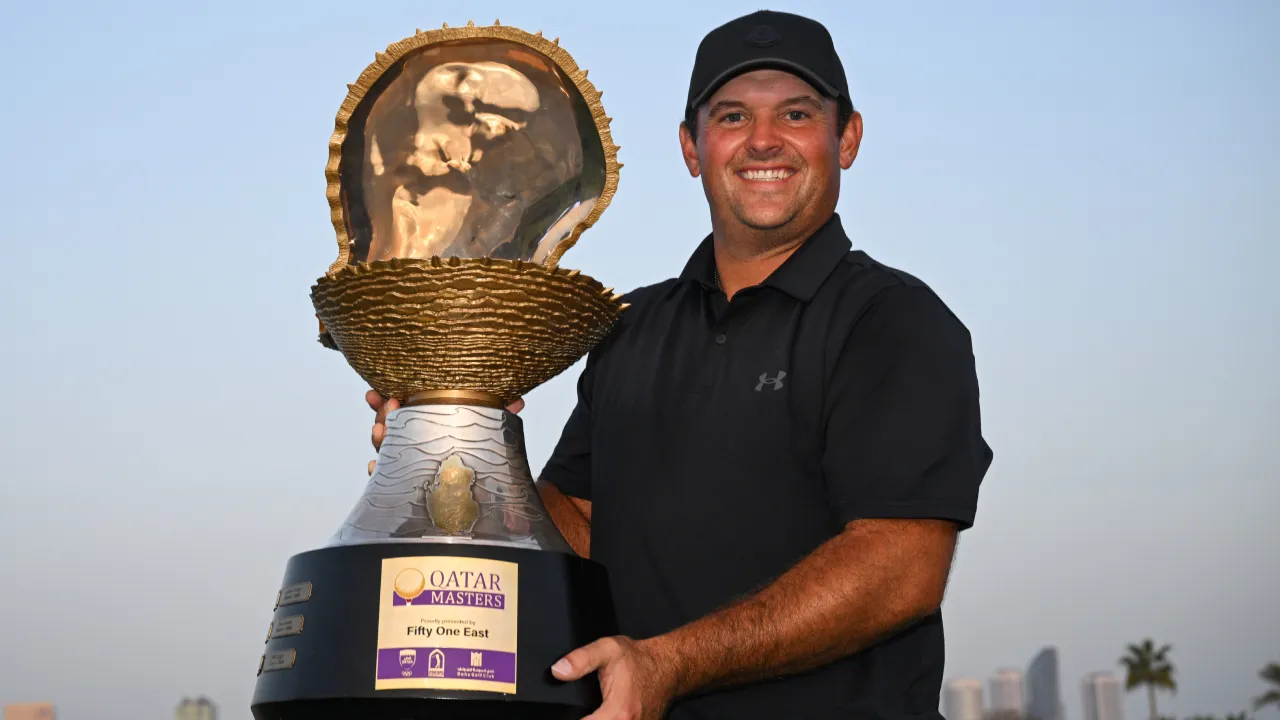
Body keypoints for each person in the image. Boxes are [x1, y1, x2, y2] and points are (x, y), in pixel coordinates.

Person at [368, 9, 993, 720]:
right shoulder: (630, 325)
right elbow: (576, 529)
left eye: (796, 114)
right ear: (692, 148)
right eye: (732, 117)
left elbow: (901, 568)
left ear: (846, 139)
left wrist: (668, 663)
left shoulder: (892, 321)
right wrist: (458, 446)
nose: (764, 140)